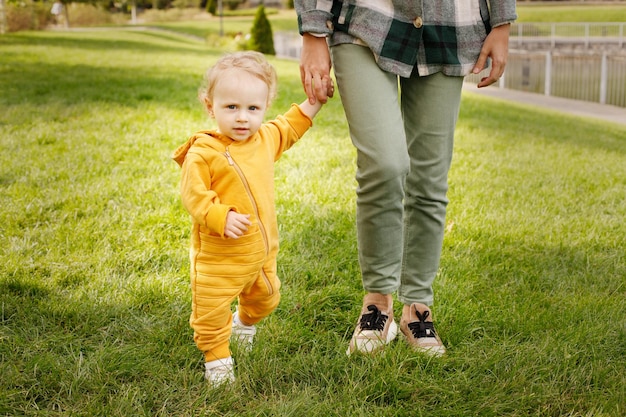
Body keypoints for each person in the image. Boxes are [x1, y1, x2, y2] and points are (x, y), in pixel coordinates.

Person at [295, 0, 517, 356]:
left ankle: (417, 307)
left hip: (450, 25)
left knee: (430, 177)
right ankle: (377, 304)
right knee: (384, 163)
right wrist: (312, 30)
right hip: (364, 18)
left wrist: (502, 22)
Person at [172, 51, 327, 384]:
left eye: (252, 109)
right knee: (211, 310)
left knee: (266, 298)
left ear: (265, 107)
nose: (242, 118)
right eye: (231, 108)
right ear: (210, 105)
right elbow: (193, 194)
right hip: (219, 256)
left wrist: (316, 101)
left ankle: (244, 324)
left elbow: (292, 124)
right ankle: (217, 357)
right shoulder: (204, 152)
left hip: (261, 251)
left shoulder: (264, 139)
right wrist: (218, 215)